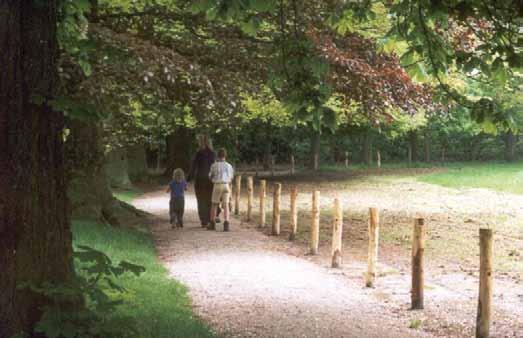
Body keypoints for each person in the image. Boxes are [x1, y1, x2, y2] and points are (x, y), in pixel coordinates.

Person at [187, 135, 215, 227]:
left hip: (200, 179)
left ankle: (203, 220)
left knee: (201, 200)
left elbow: (193, 167)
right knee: (209, 199)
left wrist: (188, 178)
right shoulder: (212, 153)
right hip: (210, 180)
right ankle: (209, 218)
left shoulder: (198, 153)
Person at [208, 148, 234, 231]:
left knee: (214, 204)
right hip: (226, 185)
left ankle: (212, 223)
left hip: (217, 185)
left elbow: (210, 176)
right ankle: (226, 224)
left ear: (217, 156)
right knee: (226, 205)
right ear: (225, 156)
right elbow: (231, 177)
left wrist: (213, 179)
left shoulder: (214, 165)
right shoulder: (229, 165)